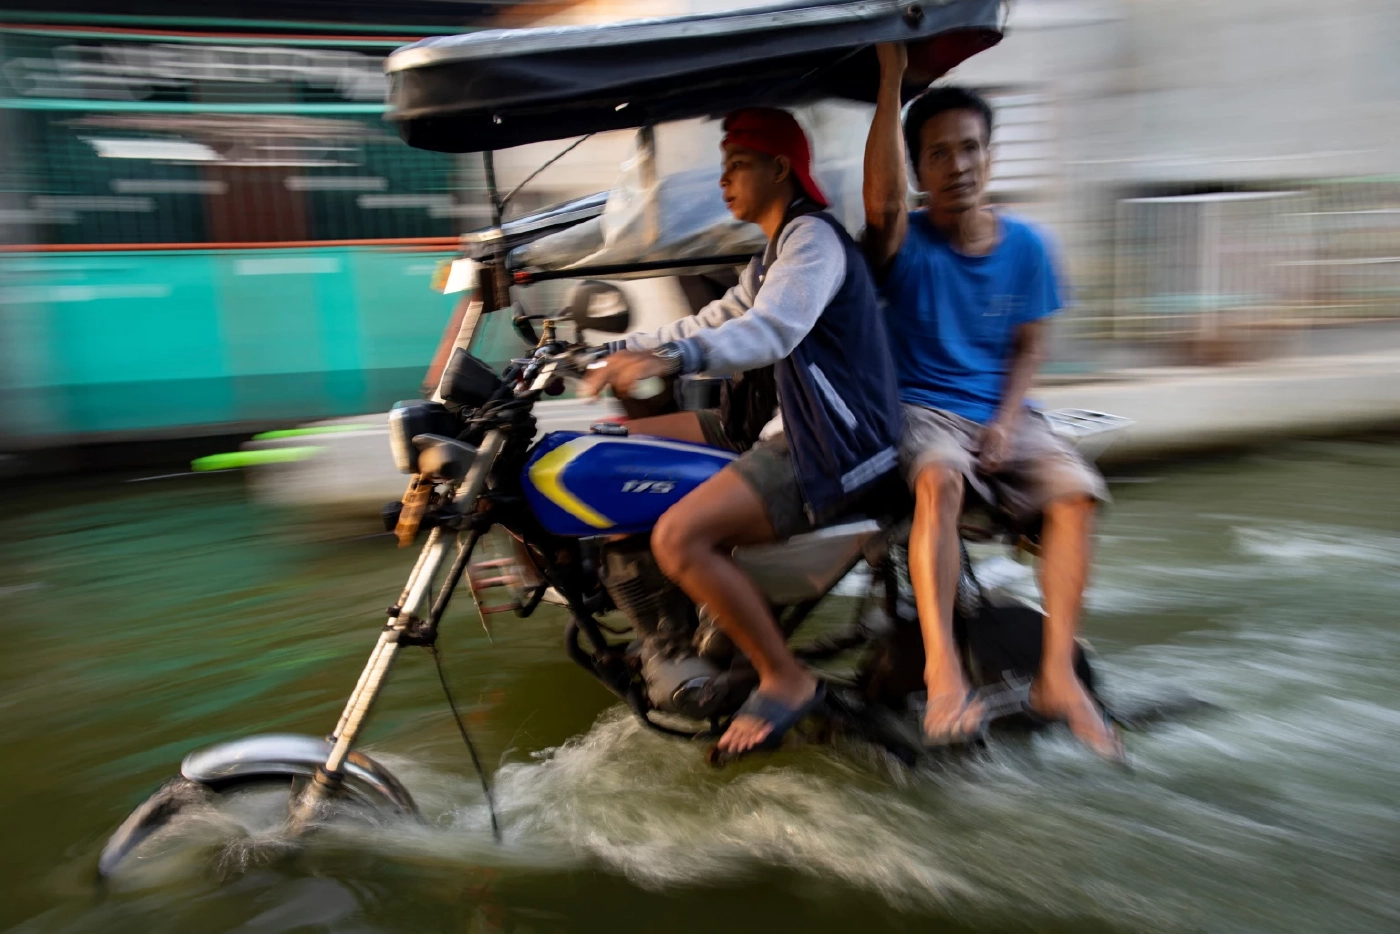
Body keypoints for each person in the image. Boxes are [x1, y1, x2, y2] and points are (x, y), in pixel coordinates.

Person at [582, 107, 903, 757]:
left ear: (781, 169)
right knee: (612, 456)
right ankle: (674, 636)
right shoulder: (771, 255)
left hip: (836, 443)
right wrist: (603, 351)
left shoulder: (812, 241)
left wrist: (672, 361)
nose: (723, 180)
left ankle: (787, 677)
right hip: (793, 428)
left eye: (736, 165)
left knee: (680, 535)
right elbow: (704, 322)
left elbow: (770, 330)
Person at [863, 44, 1121, 761]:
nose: (960, 166)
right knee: (940, 479)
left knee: (1077, 495)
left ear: (991, 155)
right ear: (919, 169)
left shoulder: (1030, 246)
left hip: (1004, 414)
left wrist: (1008, 421)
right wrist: (891, 79)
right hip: (923, 411)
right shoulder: (904, 244)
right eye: (939, 154)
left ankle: (1058, 676)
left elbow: (1030, 348)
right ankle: (944, 670)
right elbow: (880, 205)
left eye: (971, 148)